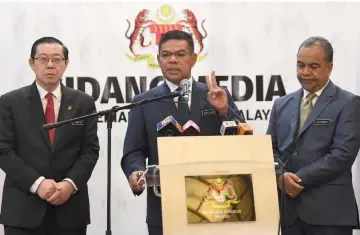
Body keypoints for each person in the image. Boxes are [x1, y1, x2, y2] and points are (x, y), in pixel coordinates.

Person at [121, 30, 244, 235]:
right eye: (166, 55)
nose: (172, 60)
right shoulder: (144, 101)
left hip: (214, 204)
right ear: (158, 60)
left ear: (193, 59)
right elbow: (134, 150)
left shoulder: (215, 95)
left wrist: (224, 110)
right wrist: (135, 171)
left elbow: (243, 139)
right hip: (164, 205)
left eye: (180, 54)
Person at [0, 37, 99, 235]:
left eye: (57, 59)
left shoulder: (83, 103)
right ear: (31, 63)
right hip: (22, 211)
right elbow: (4, 151)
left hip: (70, 210)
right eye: (43, 59)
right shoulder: (10, 102)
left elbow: (90, 151)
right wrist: (37, 184)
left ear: (66, 64)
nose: (50, 65)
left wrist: (69, 185)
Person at [267, 36, 360, 235]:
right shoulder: (281, 104)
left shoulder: (348, 103)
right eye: (300, 65)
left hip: (329, 214)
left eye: (314, 66)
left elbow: (342, 154)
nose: (305, 72)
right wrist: (279, 176)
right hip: (287, 213)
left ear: (330, 67)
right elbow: (269, 149)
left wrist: (298, 179)